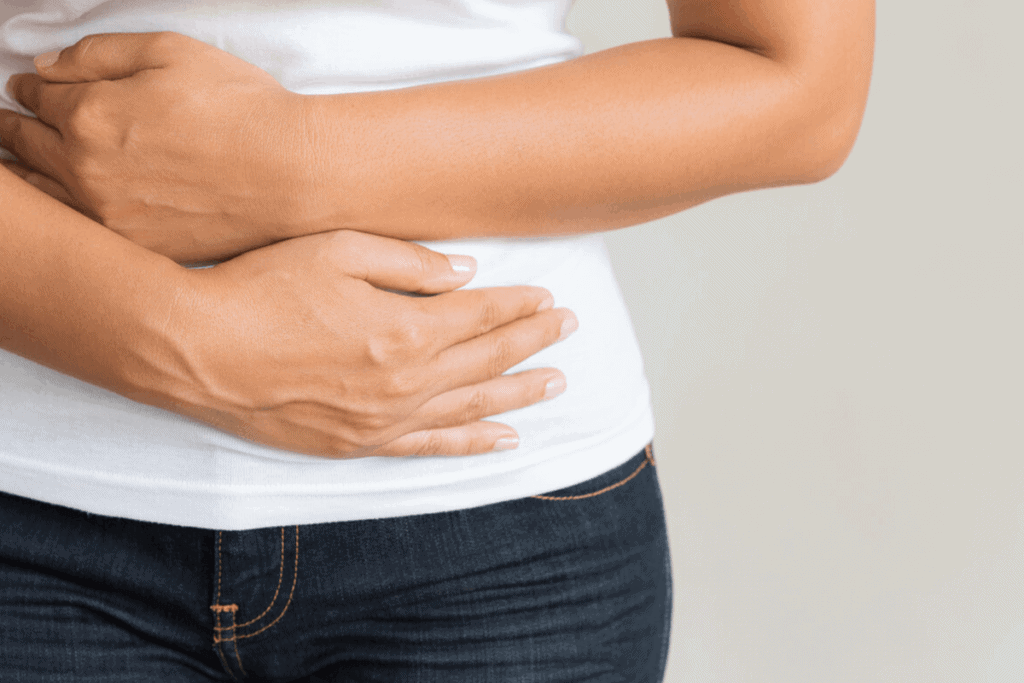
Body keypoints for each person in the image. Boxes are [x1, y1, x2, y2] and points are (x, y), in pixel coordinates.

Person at [0, 0, 874, 680]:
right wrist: (190, 338)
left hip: (505, 544)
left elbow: (798, 87)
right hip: (35, 520)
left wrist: (290, 160)